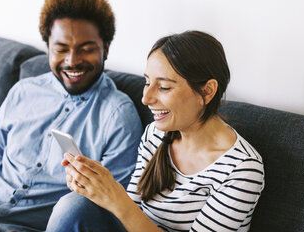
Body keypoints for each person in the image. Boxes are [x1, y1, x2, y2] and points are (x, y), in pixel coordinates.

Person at [47, 31, 265, 232]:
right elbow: (133, 212)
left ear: (207, 91)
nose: (146, 98)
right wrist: (96, 189)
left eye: (164, 87)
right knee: (74, 204)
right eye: (147, 82)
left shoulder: (242, 169)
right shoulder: (156, 134)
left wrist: (115, 198)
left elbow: (126, 210)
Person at [0, 0, 142, 231]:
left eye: (86, 49)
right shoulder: (24, 91)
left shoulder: (118, 116)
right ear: (48, 47)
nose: (72, 61)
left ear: (105, 48)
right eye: (61, 49)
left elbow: (110, 208)